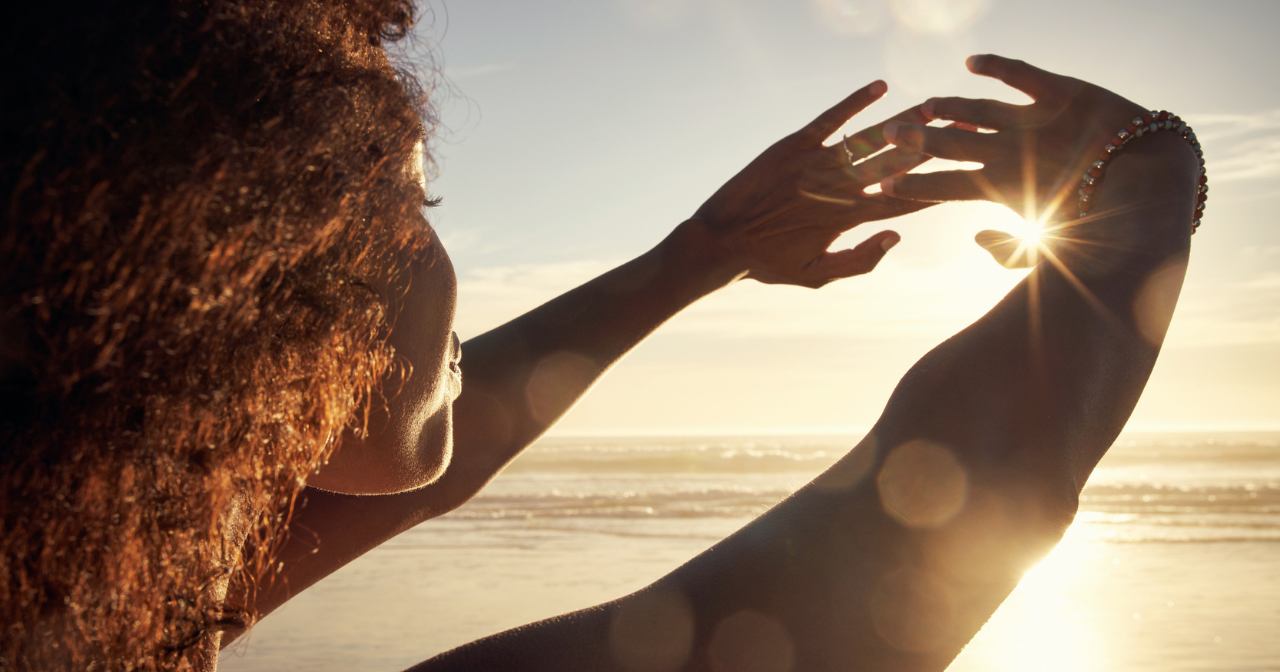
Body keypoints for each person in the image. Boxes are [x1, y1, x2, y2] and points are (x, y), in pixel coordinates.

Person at [0, 1, 1201, 670]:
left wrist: (700, 254)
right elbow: (928, 536)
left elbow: (401, 476)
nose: (442, 262)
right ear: (241, 274)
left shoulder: (64, 593)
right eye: (411, 207)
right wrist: (1141, 195)